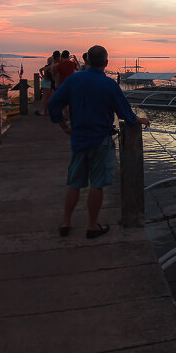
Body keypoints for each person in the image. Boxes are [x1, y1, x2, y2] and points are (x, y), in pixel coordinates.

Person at [47, 44, 149, 238]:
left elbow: (54, 105)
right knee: (97, 184)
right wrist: (140, 120)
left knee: (74, 183)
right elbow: (126, 115)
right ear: (106, 62)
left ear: (87, 61)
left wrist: (64, 127)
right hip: (100, 141)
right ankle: (92, 226)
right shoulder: (109, 84)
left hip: (78, 139)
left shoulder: (74, 79)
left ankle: (65, 223)